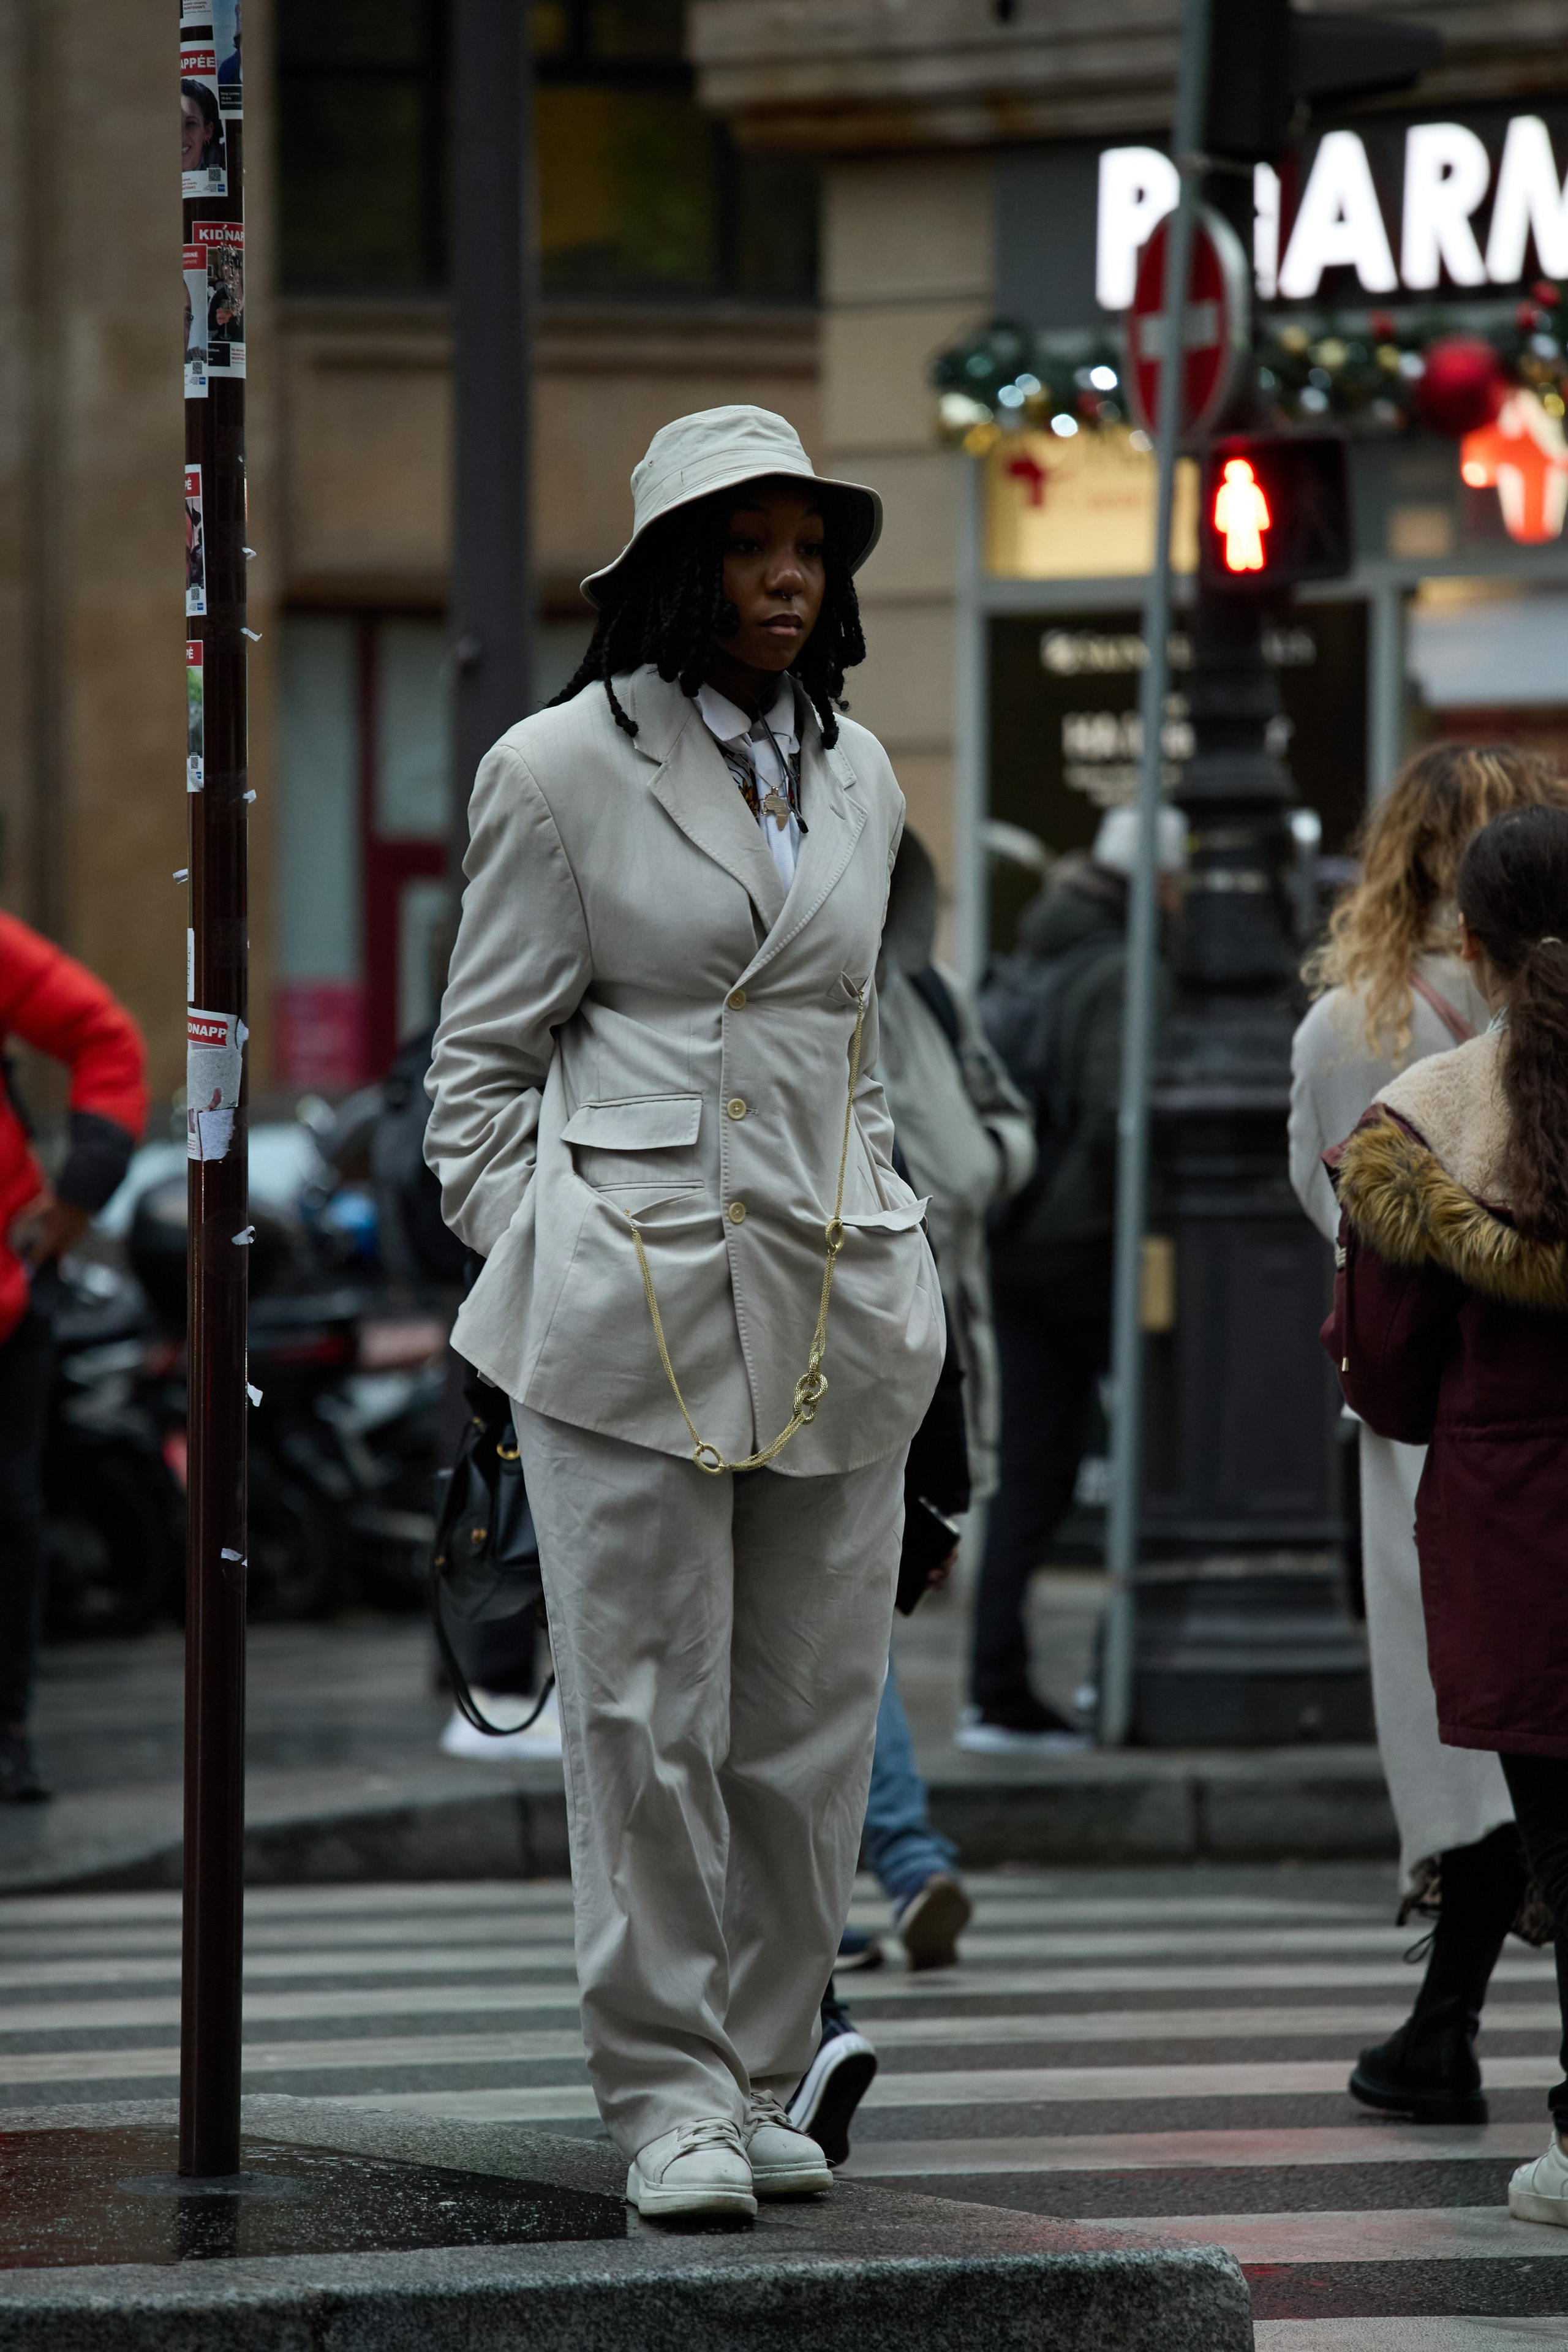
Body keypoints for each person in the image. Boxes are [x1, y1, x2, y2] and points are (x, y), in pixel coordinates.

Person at [425, 405, 944, 2222]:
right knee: (642, 1727)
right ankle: (666, 2102)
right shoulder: (558, 769)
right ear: (672, 571)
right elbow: (476, 1081)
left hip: (841, 1299)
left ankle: (761, 2069)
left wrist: (903, 1254)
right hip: (624, 1314)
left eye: (810, 548)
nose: (787, 578)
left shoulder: (863, 775)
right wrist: (549, 1255)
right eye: (747, 547)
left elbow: (854, 1057)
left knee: (810, 1728)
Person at [1291, 744, 1568, 2125]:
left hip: (1464, 1445)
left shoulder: (1362, 1039)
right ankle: (1440, 2026)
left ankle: (1447, 2030)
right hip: (1485, 1441)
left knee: (1503, 1746)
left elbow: (1349, 1241)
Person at [846, 832, 1033, 1967]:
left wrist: (980, 1166)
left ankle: (880, 1869)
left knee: (837, 1625)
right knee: (830, 1627)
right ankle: (896, 1860)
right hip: (834, 1351)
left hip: (925, 1343)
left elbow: (1000, 1119)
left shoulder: (929, 995)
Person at [965, 801, 1186, 1750]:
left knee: (1026, 1473)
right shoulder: (1130, 968)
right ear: (1162, 883)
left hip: (1013, 1241)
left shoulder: (1036, 949)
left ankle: (993, 1693)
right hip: (1092, 1249)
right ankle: (1113, 1675)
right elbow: (1115, 1121)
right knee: (1163, 1454)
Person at [0, 918, 148, 1800]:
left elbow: (102, 1034)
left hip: (9, 1296)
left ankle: (7, 1731)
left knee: (7, 1511)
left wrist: (81, 1190)